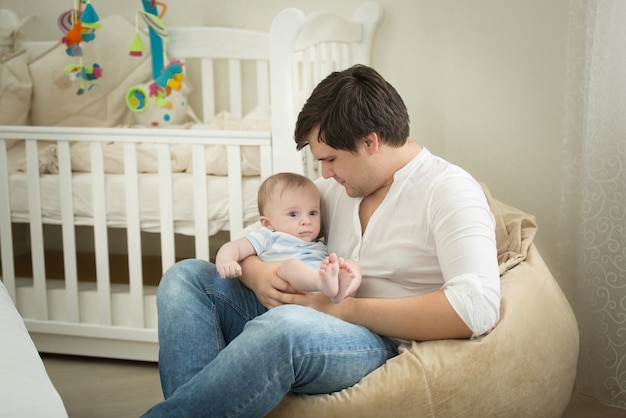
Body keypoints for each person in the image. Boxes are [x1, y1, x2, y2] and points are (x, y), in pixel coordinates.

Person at [142, 64, 501, 417]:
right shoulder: (340, 189)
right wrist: (256, 274)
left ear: (369, 141)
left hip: (377, 338)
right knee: (185, 277)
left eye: (330, 159)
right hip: (312, 309)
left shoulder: (449, 190)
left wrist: (344, 310)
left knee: (285, 329)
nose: (325, 173)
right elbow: (267, 233)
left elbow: (476, 307)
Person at [215, 172, 361, 304]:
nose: (306, 220)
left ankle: (343, 291)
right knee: (290, 265)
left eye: (312, 213)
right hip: (289, 296)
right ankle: (321, 282)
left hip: (322, 302)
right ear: (267, 223)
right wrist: (226, 259)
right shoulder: (268, 236)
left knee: (350, 264)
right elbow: (235, 247)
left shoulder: (321, 245)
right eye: (293, 214)